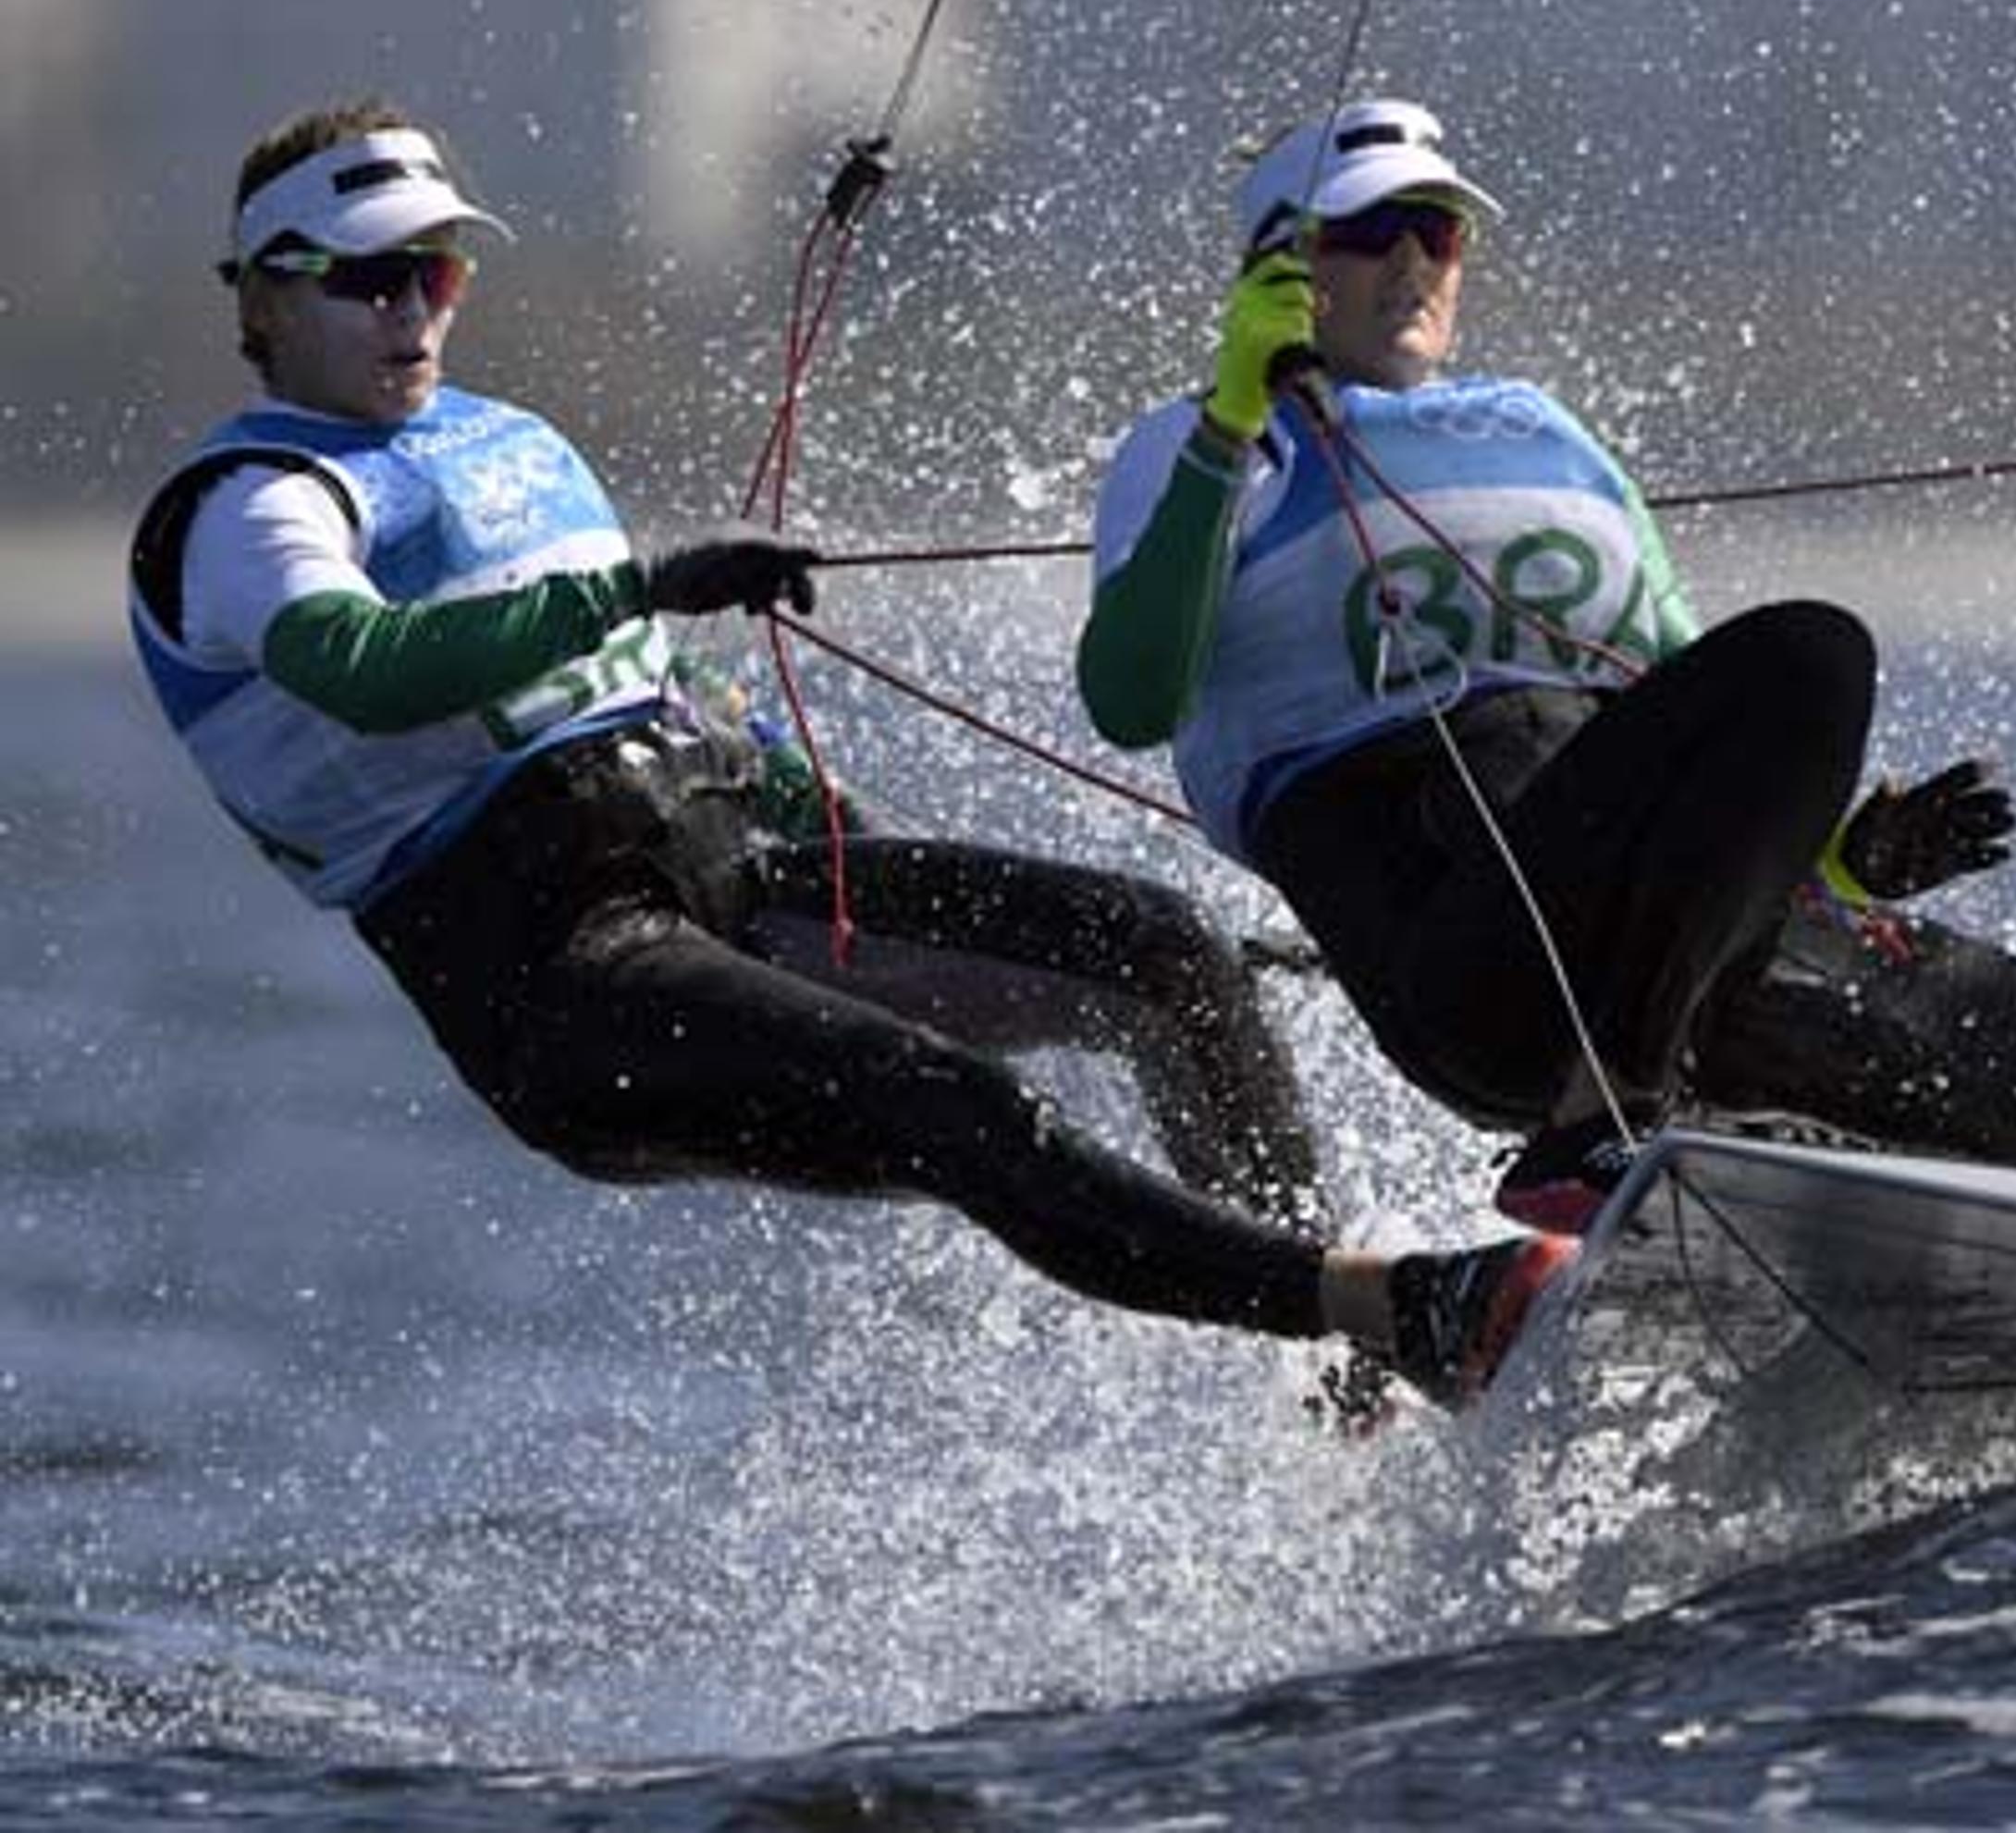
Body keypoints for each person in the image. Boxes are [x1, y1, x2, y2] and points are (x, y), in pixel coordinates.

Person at [128, 96, 1566, 1408]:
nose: (412, 310)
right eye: (371, 277)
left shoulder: (504, 441)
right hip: (557, 973)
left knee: (1161, 950)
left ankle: (1359, 1387)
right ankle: (1394, 1309)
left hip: (734, 875)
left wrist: (845, 829)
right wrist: (645, 582)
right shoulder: (248, 505)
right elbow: (361, 669)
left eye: (435, 271)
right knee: (943, 1103)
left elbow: (650, 688)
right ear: (264, 298)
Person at [1077, 96, 2016, 1233]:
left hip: (1697, 969)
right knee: (1812, 651)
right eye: (1373, 233)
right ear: (1280, 266)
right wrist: (1235, 409)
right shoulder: (1206, 449)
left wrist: (1840, 862)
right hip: (1489, 969)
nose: (1415, 263)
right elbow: (1130, 700)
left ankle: (1930, 1234)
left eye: (1443, 234)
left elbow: (1687, 731)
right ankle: (1597, 1120)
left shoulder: (1542, 430)